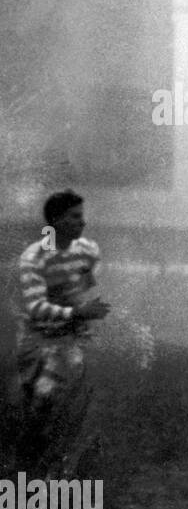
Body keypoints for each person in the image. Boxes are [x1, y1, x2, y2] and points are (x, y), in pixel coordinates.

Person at [14, 191, 111, 473]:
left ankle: (60, 463)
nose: (82, 223)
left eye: (82, 216)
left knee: (70, 393)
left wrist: (82, 315)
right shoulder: (34, 258)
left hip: (72, 337)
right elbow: (35, 307)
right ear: (55, 220)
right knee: (40, 401)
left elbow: (87, 287)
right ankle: (27, 466)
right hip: (37, 337)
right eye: (75, 217)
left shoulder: (88, 251)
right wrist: (75, 312)